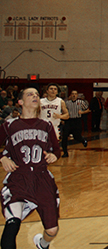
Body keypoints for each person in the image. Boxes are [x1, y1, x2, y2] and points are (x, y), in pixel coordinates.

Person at [0, 88, 61, 249]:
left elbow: (57, 149)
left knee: (52, 230)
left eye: (36, 94)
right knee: (13, 222)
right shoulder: (9, 125)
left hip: (42, 179)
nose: (35, 96)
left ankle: (42, 244)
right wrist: (2, 157)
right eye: (30, 94)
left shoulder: (46, 125)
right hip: (18, 178)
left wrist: (55, 155)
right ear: (20, 102)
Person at [60, 90, 90, 158]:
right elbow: (63, 111)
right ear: (70, 95)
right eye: (72, 94)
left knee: (76, 137)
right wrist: (62, 119)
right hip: (69, 121)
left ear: (77, 95)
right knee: (64, 137)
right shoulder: (67, 103)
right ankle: (65, 152)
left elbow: (88, 110)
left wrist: (82, 112)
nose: (74, 95)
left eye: (75, 94)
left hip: (77, 121)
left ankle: (83, 141)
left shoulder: (81, 102)